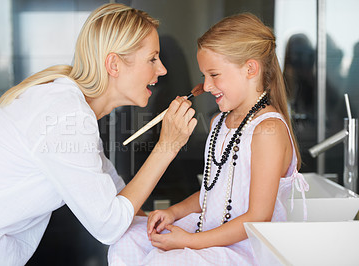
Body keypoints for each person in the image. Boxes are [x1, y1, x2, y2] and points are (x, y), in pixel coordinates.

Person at [0, 3, 197, 265]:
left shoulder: (71, 107)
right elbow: (109, 225)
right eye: (152, 58)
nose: (162, 70)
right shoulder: (65, 115)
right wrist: (168, 146)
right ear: (114, 64)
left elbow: (121, 199)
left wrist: (172, 230)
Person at [108, 13, 308, 265]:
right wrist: (172, 212)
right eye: (204, 76)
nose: (207, 86)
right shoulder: (218, 123)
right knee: (127, 240)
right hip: (209, 231)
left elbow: (257, 218)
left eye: (214, 75)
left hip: (246, 247)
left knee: (167, 261)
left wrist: (188, 242)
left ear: (250, 69)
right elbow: (210, 194)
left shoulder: (268, 130)